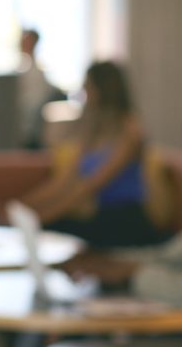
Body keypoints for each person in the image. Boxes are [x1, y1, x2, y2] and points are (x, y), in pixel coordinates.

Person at [18, 61, 171, 248]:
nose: (84, 93)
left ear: (104, 89)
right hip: (102, 215)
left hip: (127, 219)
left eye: (88, 87)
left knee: (55, 229)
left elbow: (90, 186)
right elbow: (64, 182)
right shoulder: (91, 131)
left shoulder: (131, 131)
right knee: (50, 228)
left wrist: (43, 217)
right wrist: (23, 205)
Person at [16, 28, 64, 149]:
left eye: (27, 40)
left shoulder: (37, 70)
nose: (23, 43)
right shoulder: (21, 67)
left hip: (33, 124)